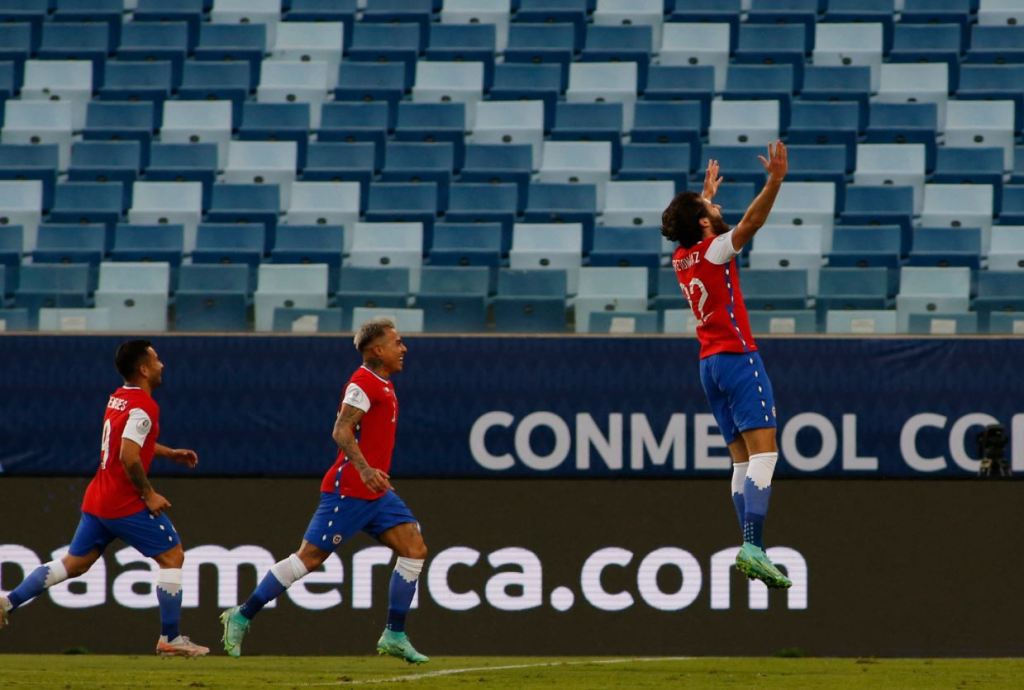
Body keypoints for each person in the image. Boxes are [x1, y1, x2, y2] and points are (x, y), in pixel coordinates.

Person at [220, 318, 429, 663]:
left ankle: (394, 633)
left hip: (376, 493)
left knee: (415, 549)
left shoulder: (384, 383)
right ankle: (241, 615)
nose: (403, 348)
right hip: (348, 489)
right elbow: (341, 430)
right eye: (397, 342)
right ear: (378, 349)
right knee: (309, 559)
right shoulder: (361, 383)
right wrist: (364, 469)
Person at [0, 340, 210, 656]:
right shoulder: (145, 406)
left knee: (74, 564)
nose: (161, 364)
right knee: (172, 556)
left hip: (98, 499)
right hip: (123, 502)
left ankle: (7, 602)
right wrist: (149, 494)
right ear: (143, 368)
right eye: (155, 359)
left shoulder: (119, 397)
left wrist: (169, 453)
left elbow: (128, 442)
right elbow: (128, 456)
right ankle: (170, 638)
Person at [661, 142, 793, 589]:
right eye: (709, 208)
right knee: (766, 454)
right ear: (702, 223)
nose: (716, 206)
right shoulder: (716, 250)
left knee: (740, 461)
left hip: (708, 365)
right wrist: (774, 180)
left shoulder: (681, 259)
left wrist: (701, 200)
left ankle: (750, 543)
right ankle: (753, 546)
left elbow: (699, 237)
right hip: (738, 358)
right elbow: (751, 223)